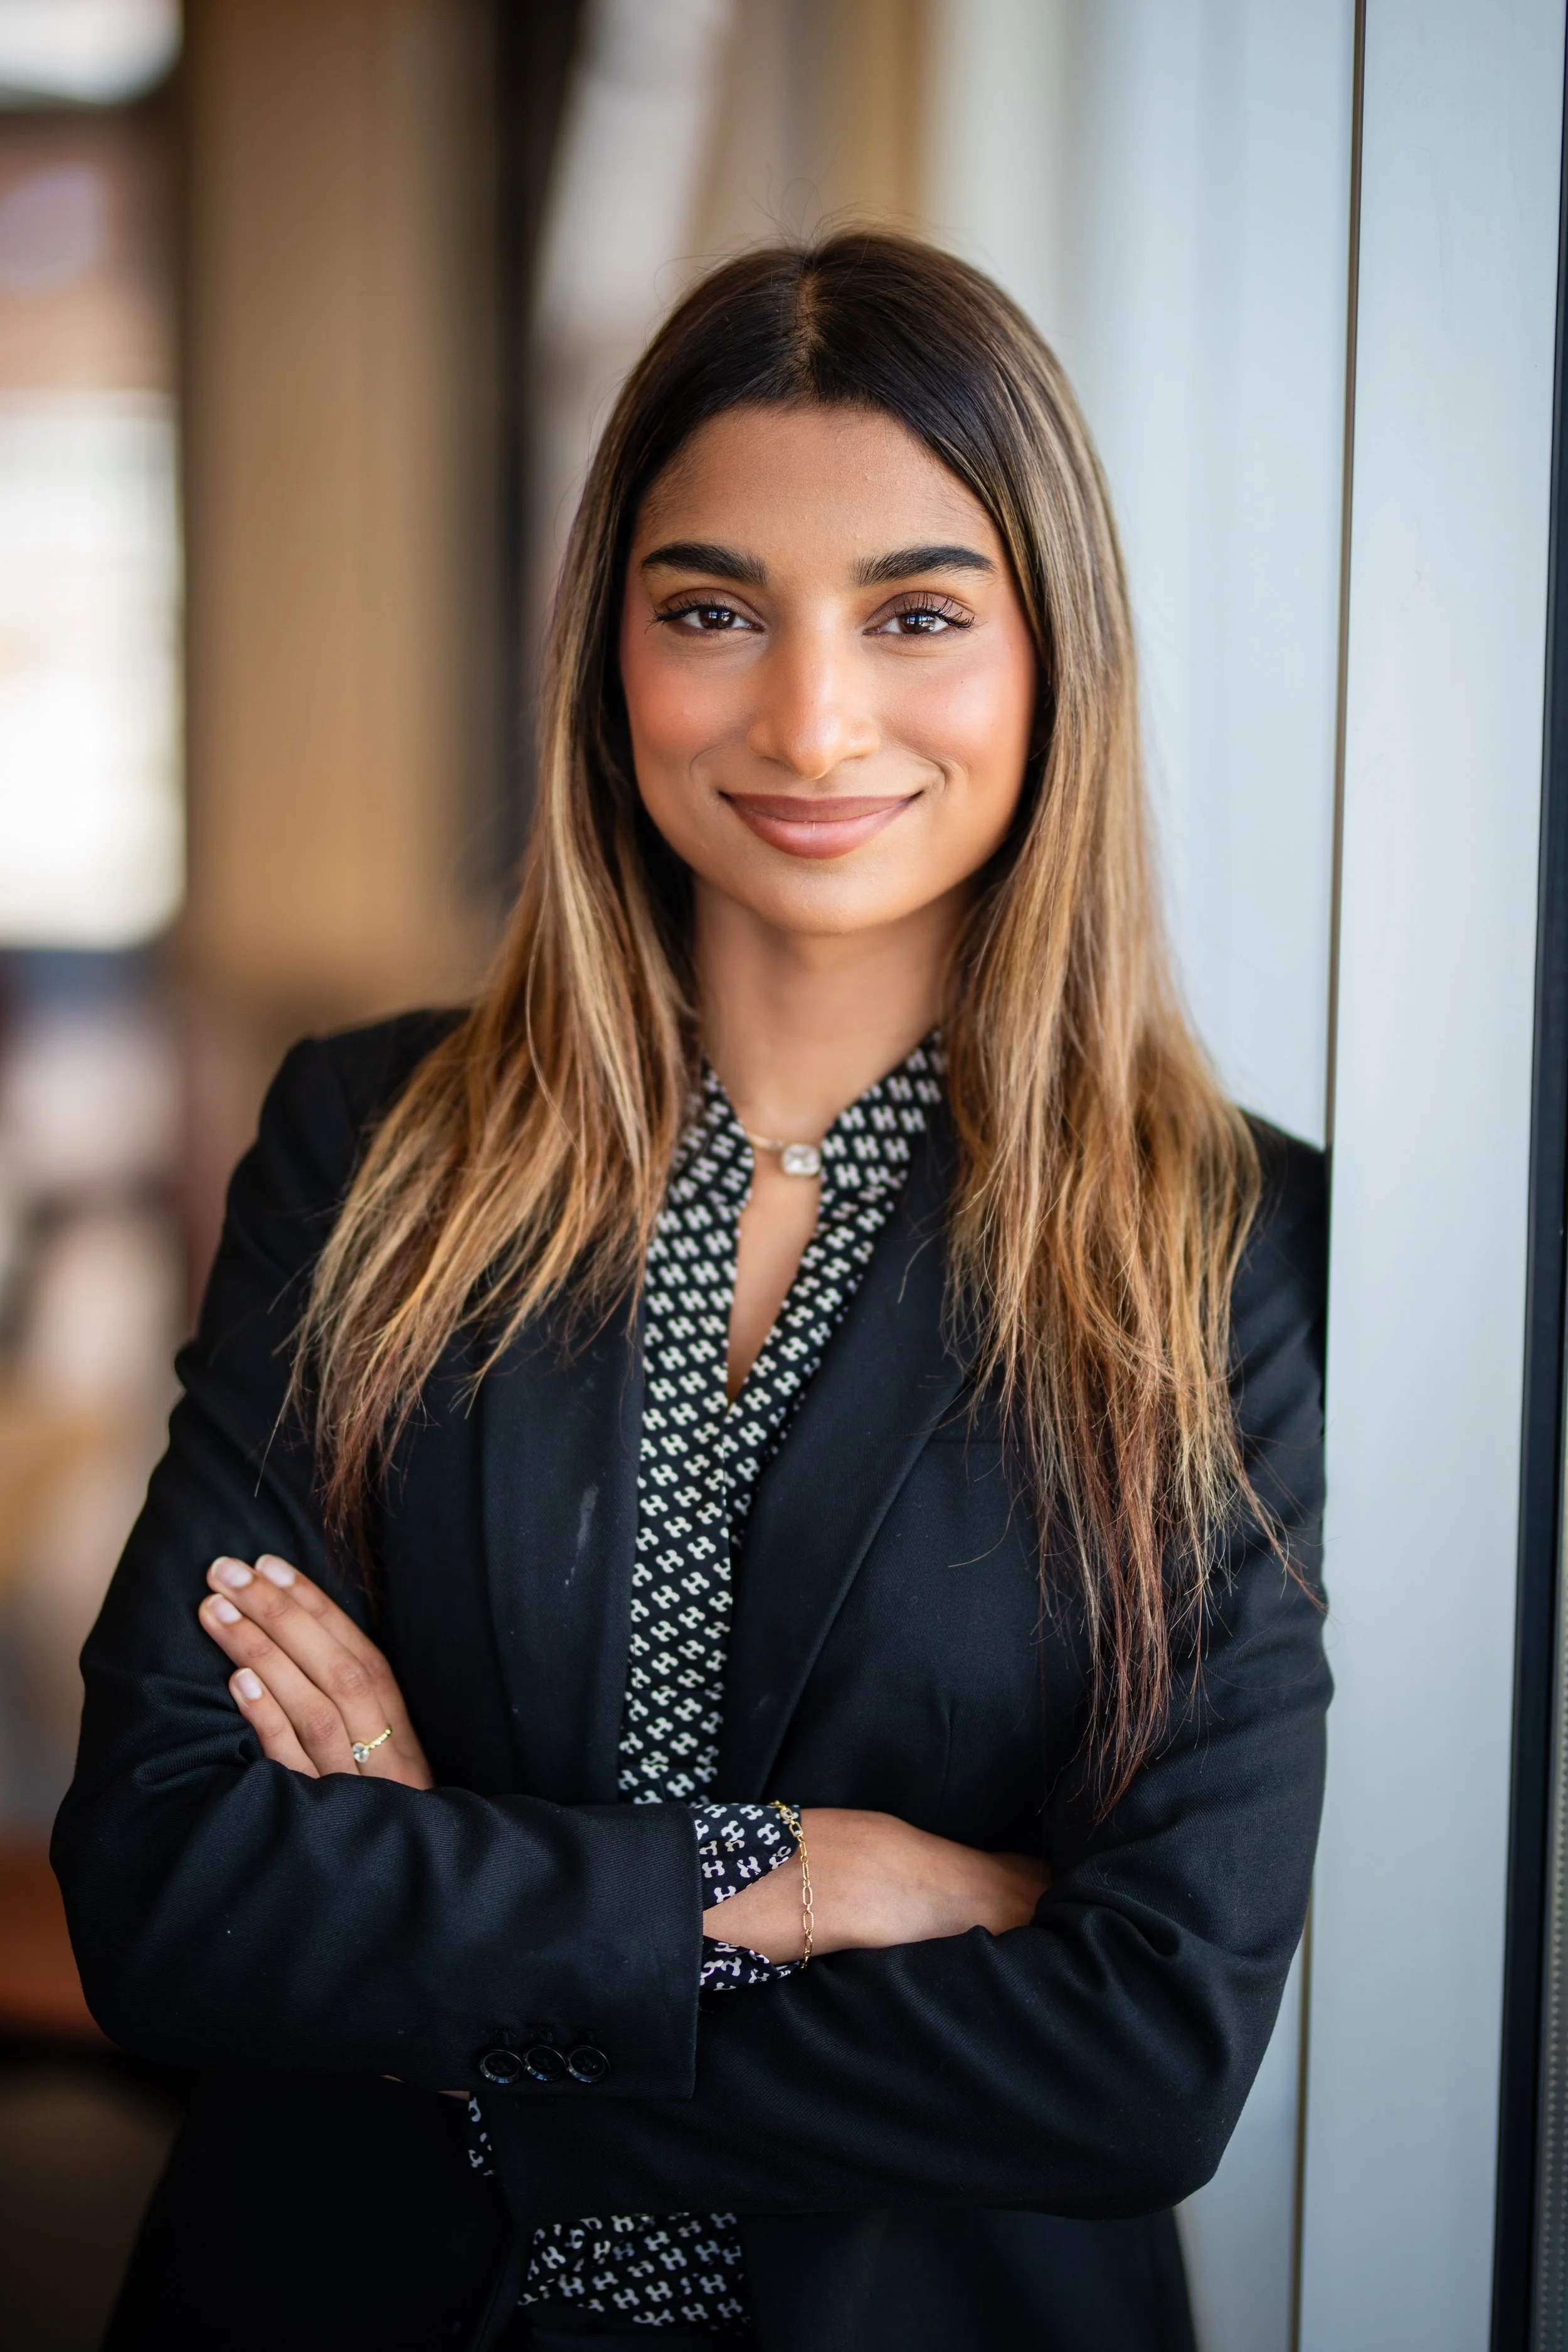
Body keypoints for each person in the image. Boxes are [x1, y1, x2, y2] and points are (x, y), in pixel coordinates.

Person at [53, 233, 1328, 2352]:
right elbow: (173, 1883)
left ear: (1050, 660)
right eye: (712, 609)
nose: (809, 718)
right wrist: (816, 1875)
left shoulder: (1214, 1239)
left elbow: (1139, 2048)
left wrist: (461, 1991)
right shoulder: (377, 1147)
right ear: (608, 653)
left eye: (916, 613)